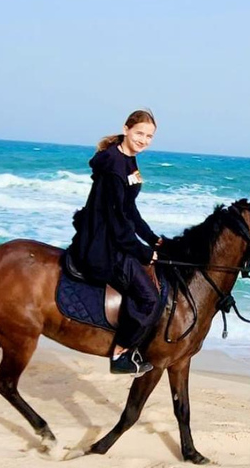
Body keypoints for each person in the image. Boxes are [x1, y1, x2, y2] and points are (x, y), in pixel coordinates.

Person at [66, 109, 164, 376]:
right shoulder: (112, 164)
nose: (144, 140)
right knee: (148, 298)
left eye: (150, 136)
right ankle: (120, 353)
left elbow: (129, 210)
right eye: (140, 133)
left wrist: (153, 239)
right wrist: (143, 253)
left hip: (113, 236)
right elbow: (117, 220)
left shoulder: (129, 161)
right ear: (126, 129)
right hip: (102, 244)